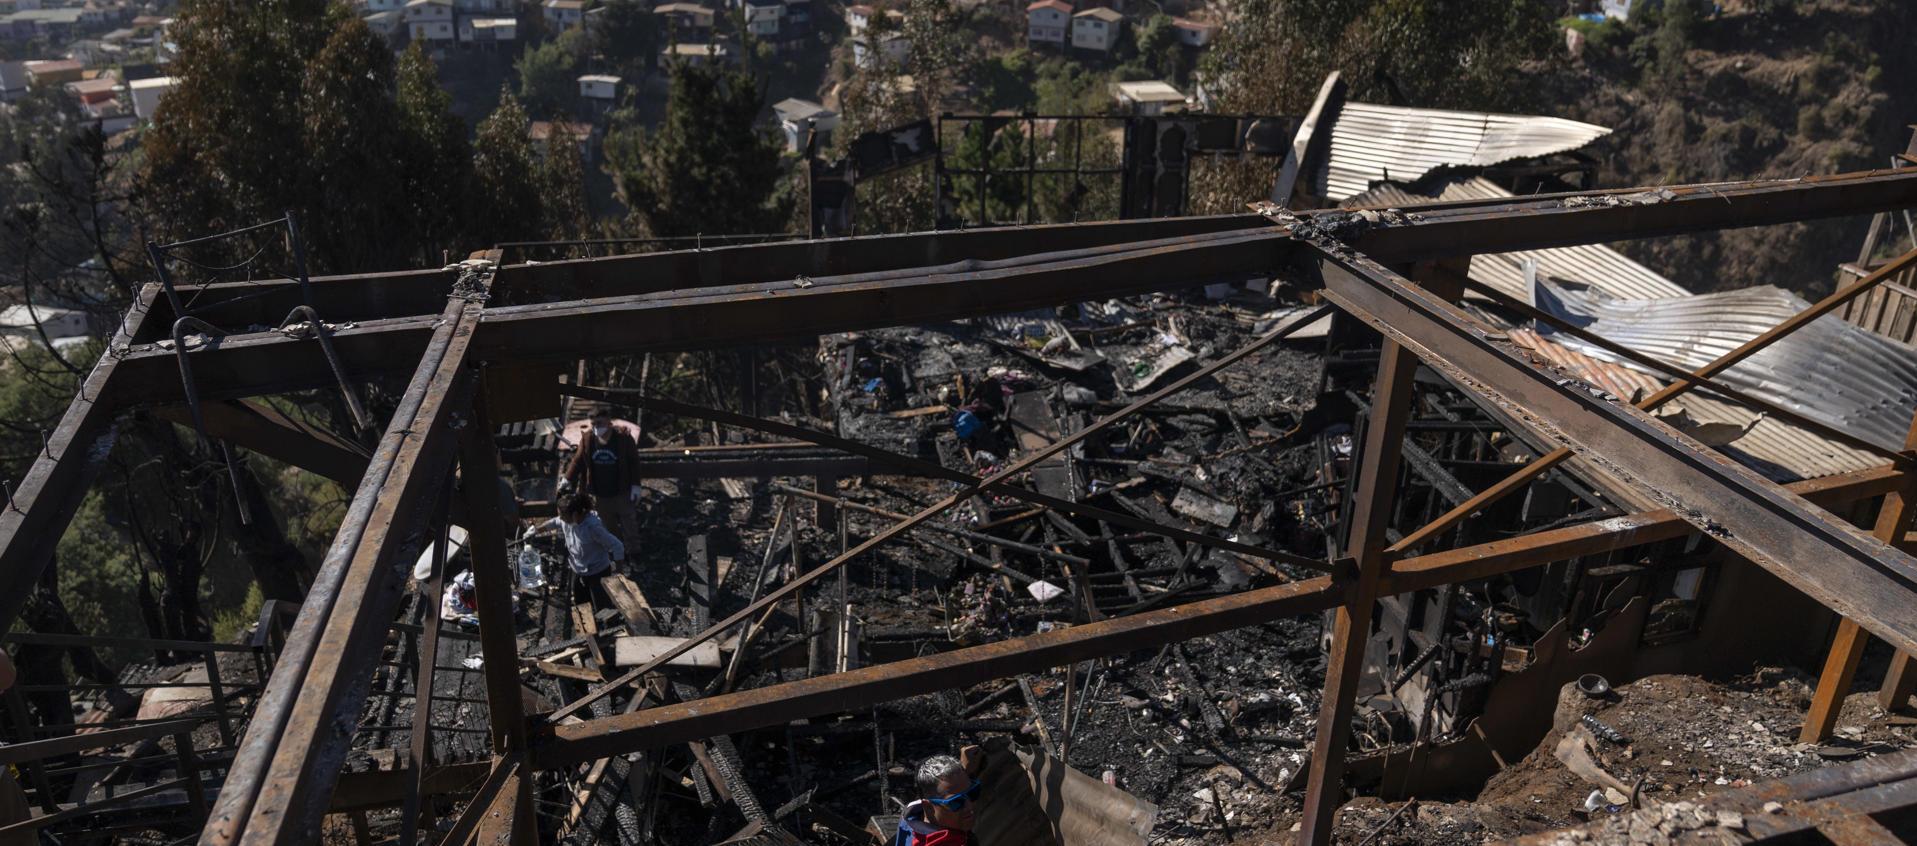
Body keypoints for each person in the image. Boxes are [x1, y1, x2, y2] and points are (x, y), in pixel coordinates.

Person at [561, 405, 642, 557]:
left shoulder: (623, 439)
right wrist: (567, 478)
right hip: (600, 493)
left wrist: (636, 485)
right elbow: (578, 461)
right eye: (593, 424)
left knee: (629, 521)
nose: (596, 427)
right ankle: (619, 550)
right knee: (609, 524)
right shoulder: (588, 439)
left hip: (621, 490)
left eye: (600, 423)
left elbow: (634, 462)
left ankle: (634, 550)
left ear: (609, 422)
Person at [533, 493, 626, 610]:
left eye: (562, 515)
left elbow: (617, 546)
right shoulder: (566, 520)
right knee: (581, 605)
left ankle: (606, 626)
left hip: (598, 572)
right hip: (578, 570)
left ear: (575, 515)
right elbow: (555, 522)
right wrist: (536, 530)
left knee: (603, 608)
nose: (560, 518)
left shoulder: (592, 527)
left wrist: (619, 571)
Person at [894, 754, 980, 846]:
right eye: (956, 802)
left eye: (972, 793)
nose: (969, 806)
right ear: (929, 808)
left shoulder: (911, 815)